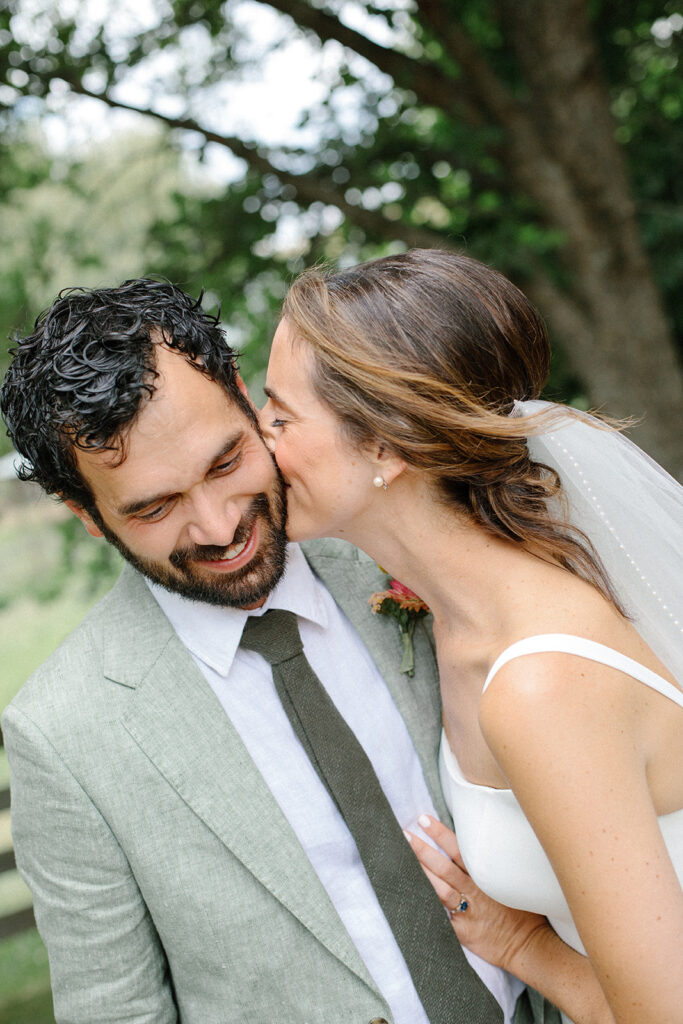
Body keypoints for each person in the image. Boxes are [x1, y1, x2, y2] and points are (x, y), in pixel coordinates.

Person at [0, 278, 558, 1024]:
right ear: (88, 516)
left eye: (225, 462)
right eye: (155, 507)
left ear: (241, 394)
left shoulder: (401, 555)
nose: (217, 526)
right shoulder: (62, 730)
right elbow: (114, 1009)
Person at [260, 248, 683, 1024]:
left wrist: (525, 951)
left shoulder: (541, 684)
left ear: (387, 447)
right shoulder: (459, 616)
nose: (259, 441)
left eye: (281, 415)